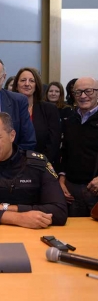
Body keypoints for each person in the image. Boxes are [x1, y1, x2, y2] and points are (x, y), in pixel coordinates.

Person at [0, 112, 67, 228]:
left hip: (32, 236)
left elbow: (59, 212)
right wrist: (18, 218)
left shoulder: (37, 164)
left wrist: (3, 207)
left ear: (12, 136)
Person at [59, 77, 98, 217]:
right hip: (72, 191)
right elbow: (65, 153)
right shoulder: (70, 121)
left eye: (88, 91)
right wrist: (61, 180)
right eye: (78, 92)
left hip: (95, 191)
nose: (83, 96)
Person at [12, 67, 61, 166]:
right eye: (23, 80)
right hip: (13, 166)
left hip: (42, 165)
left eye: (31, 81)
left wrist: (39, 163)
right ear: (16, 85)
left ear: (36, 85)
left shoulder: (49, 109)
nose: (27, 84)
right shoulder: (8, 109)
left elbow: (53, 142)